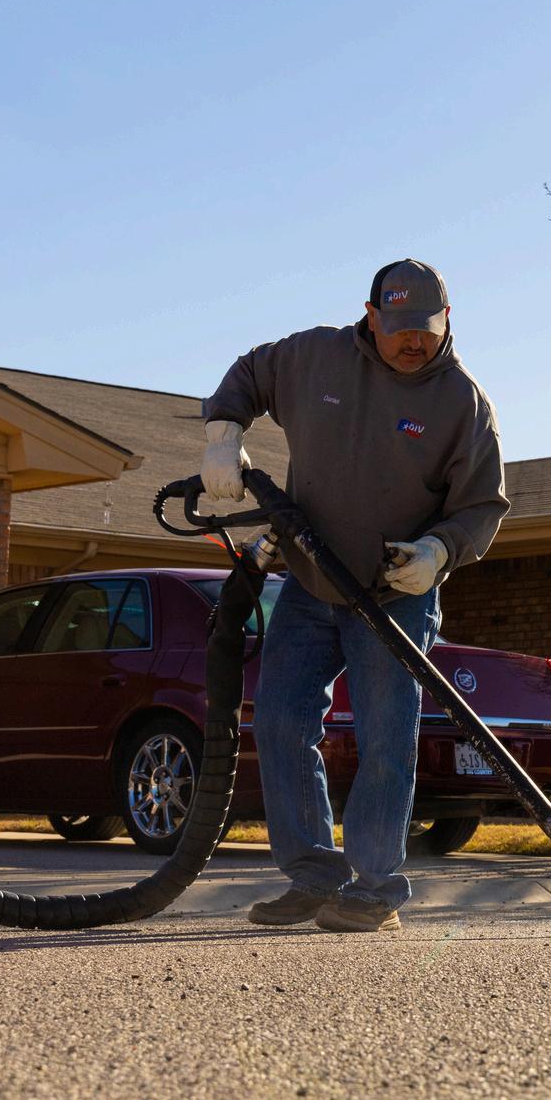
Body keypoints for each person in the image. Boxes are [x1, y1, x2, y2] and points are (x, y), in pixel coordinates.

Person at [201, 258, 509, 932]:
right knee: (280, 721)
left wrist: (439, 551)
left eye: (425, 328)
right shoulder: (314, 358)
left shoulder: (463, 403)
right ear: (371, 316)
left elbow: (482, 505)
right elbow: (249, 374)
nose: (412, 341)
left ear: (447, 320)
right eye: (399, 327)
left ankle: (375, 887)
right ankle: (314, 875)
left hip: (394, 592)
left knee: (384, 739)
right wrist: (223, 431)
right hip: (310, 580)